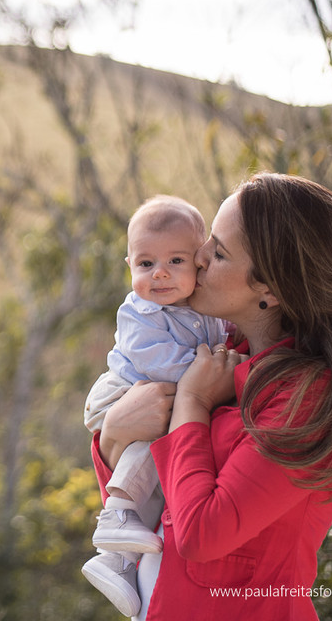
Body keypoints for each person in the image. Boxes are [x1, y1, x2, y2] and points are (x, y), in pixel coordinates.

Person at [90, 173, 332, 620]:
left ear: (270, 288)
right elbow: (152, 508)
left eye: (219, 252)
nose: (199, 256)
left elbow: (200, 534)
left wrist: (191, 402)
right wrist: (114, 436)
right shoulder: (220, 353)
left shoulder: (308, 400)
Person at [81, 196, 227, 615]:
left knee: (164, 469)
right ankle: (116, 515)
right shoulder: (140, 311)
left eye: (175, 261)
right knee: (157, 437)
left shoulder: (206, 310)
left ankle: (118, 561)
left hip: (156, 393)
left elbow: (223, 339)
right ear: (129, 265)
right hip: (123, 391)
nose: (159, 273)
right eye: (146, 264)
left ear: (200, 263)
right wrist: (213, 375)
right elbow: (157, 362)